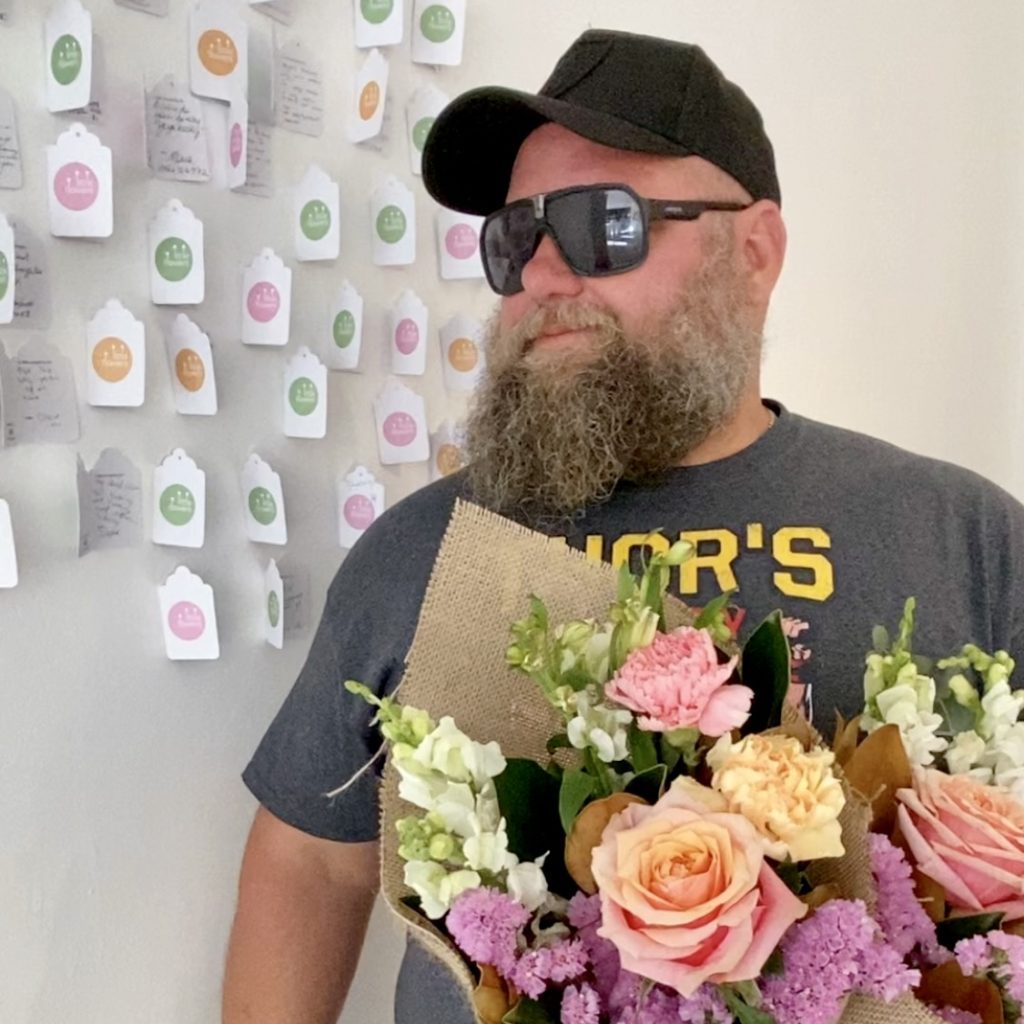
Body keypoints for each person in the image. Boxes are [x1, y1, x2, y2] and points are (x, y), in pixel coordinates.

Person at [222, 29, 1024, 1024]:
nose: (544, 279)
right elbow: (310, 862)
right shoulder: (419, 552)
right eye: (514, 239)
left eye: (604, 224)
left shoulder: (963, 535)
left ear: (755, 249)